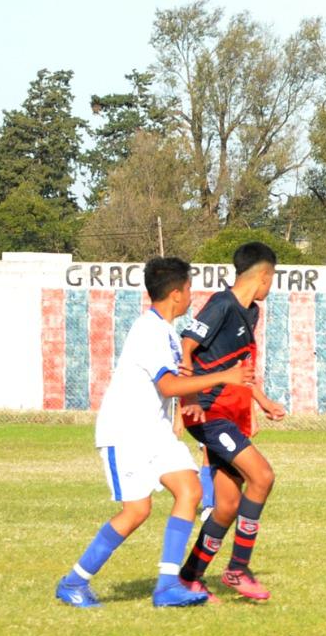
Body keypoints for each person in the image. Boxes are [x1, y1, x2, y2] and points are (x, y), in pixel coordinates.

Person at [55, 256, 250, 609]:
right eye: (189, 288)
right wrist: (224, 377)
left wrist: (192, 398)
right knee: (136, 512)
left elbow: (178, 381)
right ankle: (73, 582)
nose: (192, 294)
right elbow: (169, 383)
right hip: (126, 432)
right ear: (176, 293)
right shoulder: (149, 330)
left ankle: (166, 587)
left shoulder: (166, 331)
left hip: (155, 432)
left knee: (190, 490)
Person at [176, 242, 286, 602]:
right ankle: (238, 569)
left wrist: (263, 400)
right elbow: (187, 345)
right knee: (263, 476)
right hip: (208, 413)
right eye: (273, 279)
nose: (272, 286)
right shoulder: (221, 304)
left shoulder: (251, 312)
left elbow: (242, 370)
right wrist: (189, 396)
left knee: (227, 505)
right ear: (264, 275)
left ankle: (189, 577)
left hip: (227, 414)